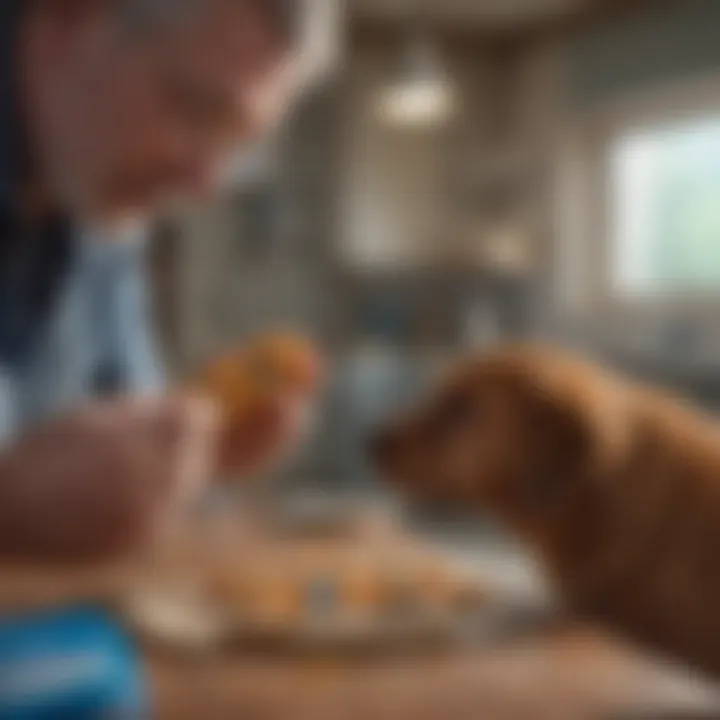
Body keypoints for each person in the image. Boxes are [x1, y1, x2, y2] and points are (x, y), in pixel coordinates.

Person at [0, 0, 309, 563]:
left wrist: (193, 457)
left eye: (236, 143)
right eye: (194, 110)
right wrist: (8, 506)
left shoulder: (95, 190)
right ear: (68, 24)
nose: (205, 183)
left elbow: (116, 433)